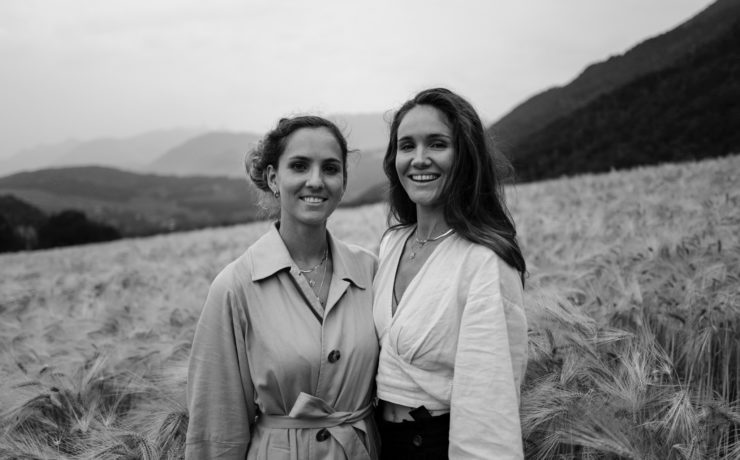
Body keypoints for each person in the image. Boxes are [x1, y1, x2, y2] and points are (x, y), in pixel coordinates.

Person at [185, 116, 380, 459]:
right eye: (300, 166)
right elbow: (217, 429)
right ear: (274, 178)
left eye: (330, 168)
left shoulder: (370, 270)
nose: (316, 181)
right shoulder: (235, 287)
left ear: (343, 182)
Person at [373, 88, 528, 459]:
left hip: (436, 445)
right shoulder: (393, 243)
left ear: (465, 156)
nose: (419, 159)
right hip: (379, 443)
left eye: (437, 144)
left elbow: (487, 403)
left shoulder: (484, 261)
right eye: (407, 146)